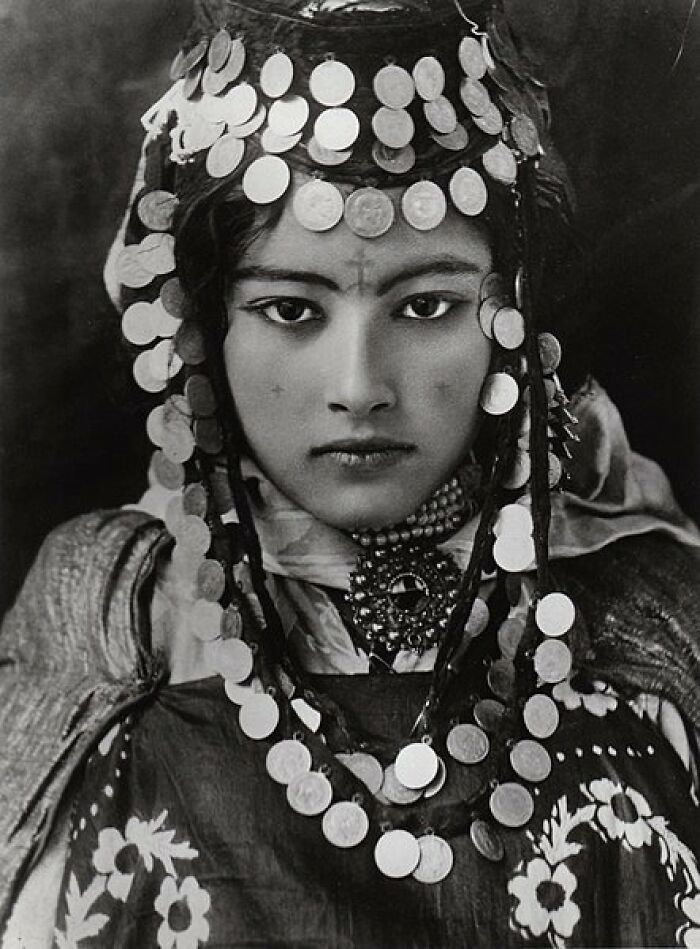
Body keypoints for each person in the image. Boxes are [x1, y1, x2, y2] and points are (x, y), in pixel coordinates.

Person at [2, 0, 700, 946]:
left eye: (427, 308)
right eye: (291, 310)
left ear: (513, 320)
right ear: (205, 332)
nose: (360, 387)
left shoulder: (656, 627)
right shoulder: (112, 626)